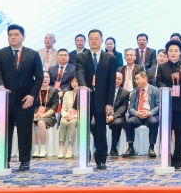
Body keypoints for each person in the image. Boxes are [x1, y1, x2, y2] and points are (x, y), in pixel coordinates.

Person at [0, 24, 45, 171]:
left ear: (23, 36)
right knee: (4, 132)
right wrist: (0, 87)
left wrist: (32, 95)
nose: (13, 37)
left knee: (25, 132)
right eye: (10, 35)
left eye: (16, 35)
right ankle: (3, 160)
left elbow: (39, 77)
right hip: (5, 99)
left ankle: (25, 161)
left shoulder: (32, 54)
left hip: (25, 100)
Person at [75, 29, 118, 171]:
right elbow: (79, 72)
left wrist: (109, 103)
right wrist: (83, 86)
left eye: (96, 38)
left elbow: (111, 82)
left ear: (101, 40)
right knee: (84, 130)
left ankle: (101, 160)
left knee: (100, 131)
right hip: (85, 98)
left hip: (102, 99)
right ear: (88, 40)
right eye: (91, 38)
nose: (94, 41)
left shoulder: (110, 58)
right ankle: (84, 157)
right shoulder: (81, 56)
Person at [156, 40, 181, 169]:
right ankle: (167, 158)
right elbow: (158, 82)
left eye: (176, 51)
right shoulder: (162, 67)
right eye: (170, 51)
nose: (173, 53)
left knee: (180, 134)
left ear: (180, 53)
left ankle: (178, 161)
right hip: (167, 104)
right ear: (167, 52)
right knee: (166, 134)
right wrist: (165, 88)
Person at [122, 70, 159, 158]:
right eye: (135, 79)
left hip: (149, 115)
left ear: (145, 79)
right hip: (138, 116)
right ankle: (130, 147)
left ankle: (151, 147)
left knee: (154, 122)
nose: (136, 81)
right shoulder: (135, 92)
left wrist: (150, 113)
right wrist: (136, 113)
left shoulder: (155, 90)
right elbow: (130, 108)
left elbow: (159, 106)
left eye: (137, 79)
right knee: (129, 122)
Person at [31, 73, 59, 158]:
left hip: (48, 116)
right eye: (43, 77)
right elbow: (31, 105)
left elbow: (54, 107)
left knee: (41, 123)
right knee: (29, 123)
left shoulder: (54, 91)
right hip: (36, 114)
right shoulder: (34, 90)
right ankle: (36, 148)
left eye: (47, 77)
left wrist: (44, 115)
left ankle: (43, 148)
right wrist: (33, 114)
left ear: (50, 79)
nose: (45, 79)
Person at [57, 76, 80, 158]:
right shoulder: (67, 94)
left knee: (71, 123)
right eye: (72, 81)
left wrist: (74, 116)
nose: (74, 83)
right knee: (63, 122)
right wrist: (65, 115)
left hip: (77, 116)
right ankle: (61, 147)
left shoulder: (83, 94)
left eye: (76, 81)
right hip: (67, 115)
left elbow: (84, 110)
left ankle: (70, 147)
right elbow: (63, 109)